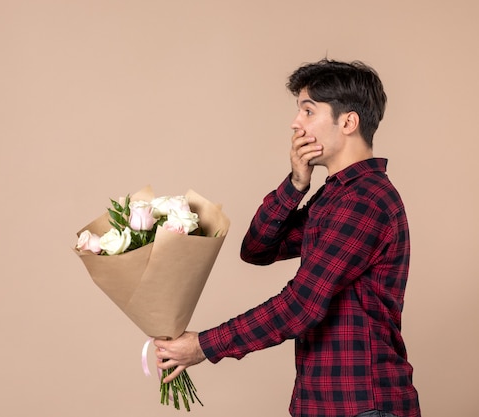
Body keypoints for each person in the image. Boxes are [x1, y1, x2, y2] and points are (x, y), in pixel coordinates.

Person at [154, 59, 421, 417]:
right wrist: (296, 184)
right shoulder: (336, 196)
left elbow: (302, 306)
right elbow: (257, 249)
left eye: (308, 111)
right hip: (328, 403)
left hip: (361, 405)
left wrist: (203, 346)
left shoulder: (365, 200)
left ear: (348, 122)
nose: (296, 123)